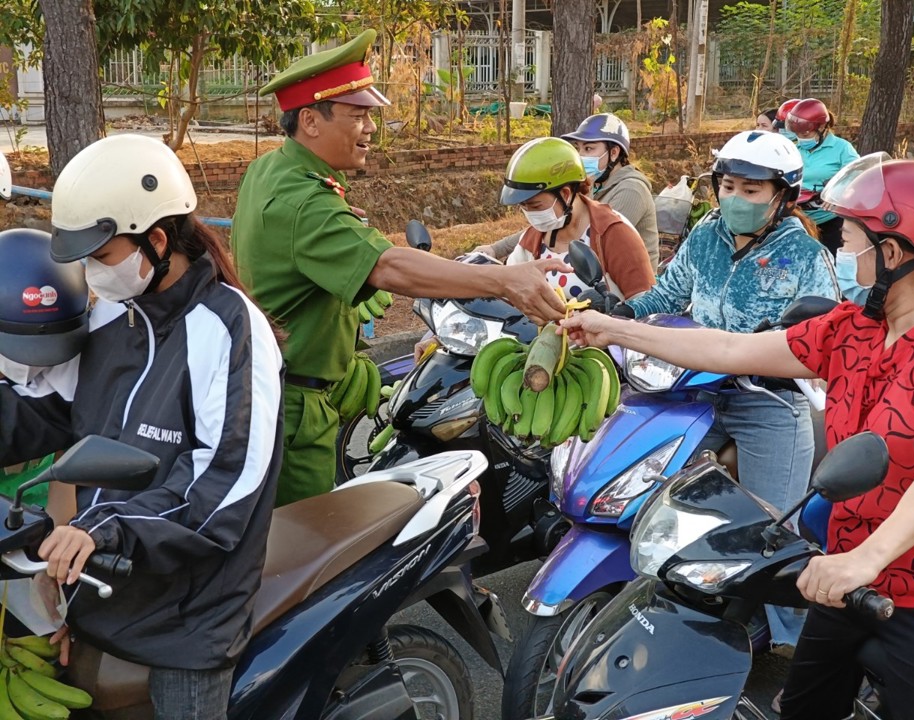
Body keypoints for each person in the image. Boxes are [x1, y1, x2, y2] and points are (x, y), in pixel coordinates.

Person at [561, 155, 914, 720]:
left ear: (893, 254)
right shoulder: (852, 329)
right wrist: (615, 329)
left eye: (849, 240)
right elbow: (728, 349)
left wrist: (866, 561)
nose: (841, 252)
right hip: (840, 579)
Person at [0, 134, 285, 720]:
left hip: (187, 615)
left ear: (155, 241)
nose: (87, 274)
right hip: (103, 584)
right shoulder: (109, 317)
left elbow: (223, 487)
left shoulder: (230, 330)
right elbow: (45, 413)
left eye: (99, 257)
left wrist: (101, 529)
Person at [231, 29, 567, 507]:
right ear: (309, 120)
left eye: (371, 114)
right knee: (302, 555)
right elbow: (387, 265)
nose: (371, 128)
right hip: (293, 410)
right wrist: (502, 280)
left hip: (286, 380)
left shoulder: (272, 170)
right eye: (358, 114)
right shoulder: (303, 201)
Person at [618, 129, 839, 650]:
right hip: (693, 390)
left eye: (751, 190)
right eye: (728, 186)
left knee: (772, 532)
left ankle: (797, 644)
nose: (734, 199)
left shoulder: (804, 254)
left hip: (767, 401)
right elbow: (670, 292)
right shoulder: (705, 234)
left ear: (782, 196)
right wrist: (622, 313)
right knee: (643, 482)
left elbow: (824, 334)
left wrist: (776, 356)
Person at [477, 113, 660, 268]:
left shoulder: (631, 190)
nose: (581, 156)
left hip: (626, 293)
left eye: (589, 148)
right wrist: (495, 249)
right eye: (578, 148)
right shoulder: (596, 185)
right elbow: (547, 227)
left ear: (614, 153)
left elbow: (597, 240)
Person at [0, 228, 89, 520]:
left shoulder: (79, 371)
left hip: (31, 534)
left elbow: (65, 490)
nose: (33, 366)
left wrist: (46, 554)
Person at [501, 136, 655, 302]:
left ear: (565, 194)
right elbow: (510, 289)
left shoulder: (613, 233)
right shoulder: (533, 239)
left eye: (535, 206)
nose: (529, 213)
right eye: (523, 206)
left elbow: (646, 305)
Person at [786, 98, 859, 257]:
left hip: (829, 221)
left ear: (822, 127)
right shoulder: (793, 148)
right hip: (797, 219)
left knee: (830, 263)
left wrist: (837, 191)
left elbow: (858, 175)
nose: (801, 137)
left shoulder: (841, 148)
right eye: (797, 133)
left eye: (805, 133)